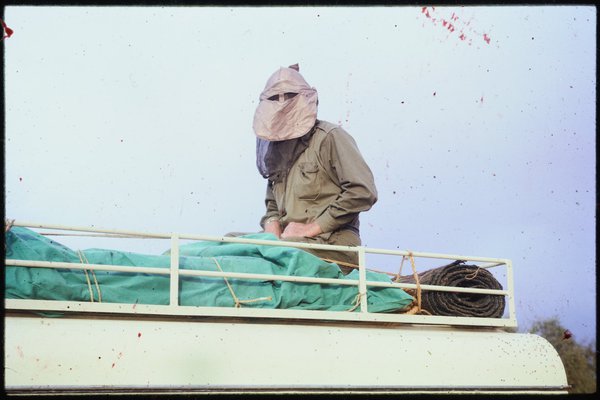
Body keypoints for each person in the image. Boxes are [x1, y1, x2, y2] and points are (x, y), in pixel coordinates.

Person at [253, 63, 378, 274]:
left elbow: (362, 191)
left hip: (330, 246)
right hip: (286, 245)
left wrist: (312, 227)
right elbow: (272, 205)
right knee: (230, 245)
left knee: (274, 258)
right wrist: (271, 227)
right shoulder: (276, 151)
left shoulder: (330, 138)